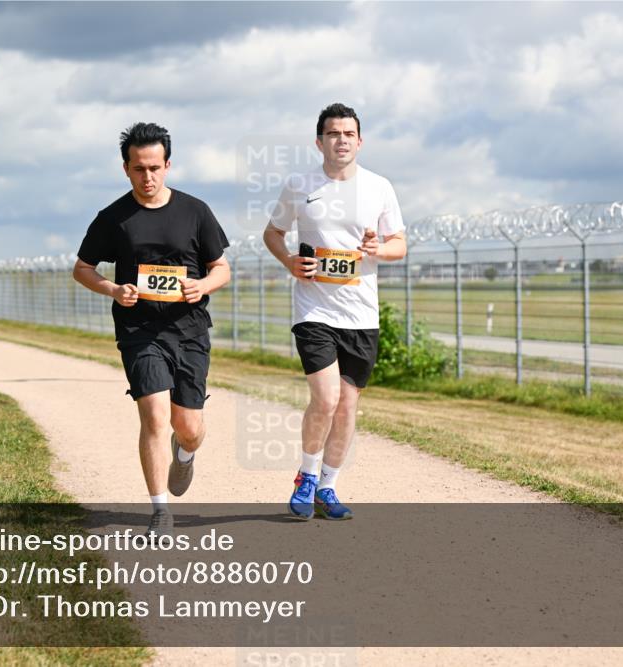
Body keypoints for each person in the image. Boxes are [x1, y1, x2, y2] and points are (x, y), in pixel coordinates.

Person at [72, 122, 230, 539]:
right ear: (126, 169)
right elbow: (82, 269)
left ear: (168, 165)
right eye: (139, 169)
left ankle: (186, 452)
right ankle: (160, 510)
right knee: (155, 415)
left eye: (155, 168)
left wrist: (203, 285)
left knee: (188, 426)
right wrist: (112, 289)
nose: (148, 177)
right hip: (139, 329)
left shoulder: (196, 212)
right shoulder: (114, 218)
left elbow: (222, 268)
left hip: (190, 329)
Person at [263, 103, 407, 520]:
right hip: (314, 310)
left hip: (361, 315)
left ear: (359, 141)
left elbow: (399, 243)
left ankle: (328, 486)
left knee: (347, 406)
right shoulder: (298, 184)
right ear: (319, 141)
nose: (341, 140)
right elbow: (273, 232)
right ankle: (306, 477)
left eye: (348, 134)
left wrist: (381, 248)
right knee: (326, 398)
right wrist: (289, 260)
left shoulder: (379, 187)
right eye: (333, 133)